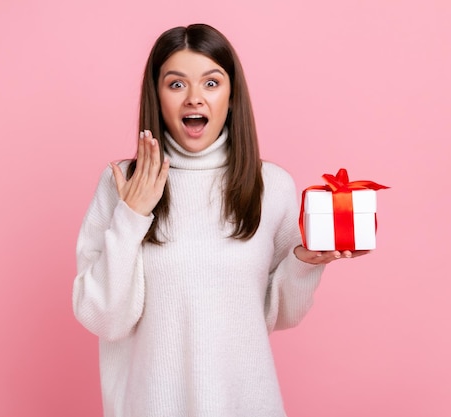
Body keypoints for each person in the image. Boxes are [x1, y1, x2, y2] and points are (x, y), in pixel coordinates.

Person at [72, 23, 368, 417]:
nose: (194, 98)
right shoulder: (121, 184)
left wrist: (303, 263)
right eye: (176, 85)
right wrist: (132, 215)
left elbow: (276, 315)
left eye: (211, 83)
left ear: (231, 96)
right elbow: (105, 318)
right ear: (156, 96)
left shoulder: (270, 186)